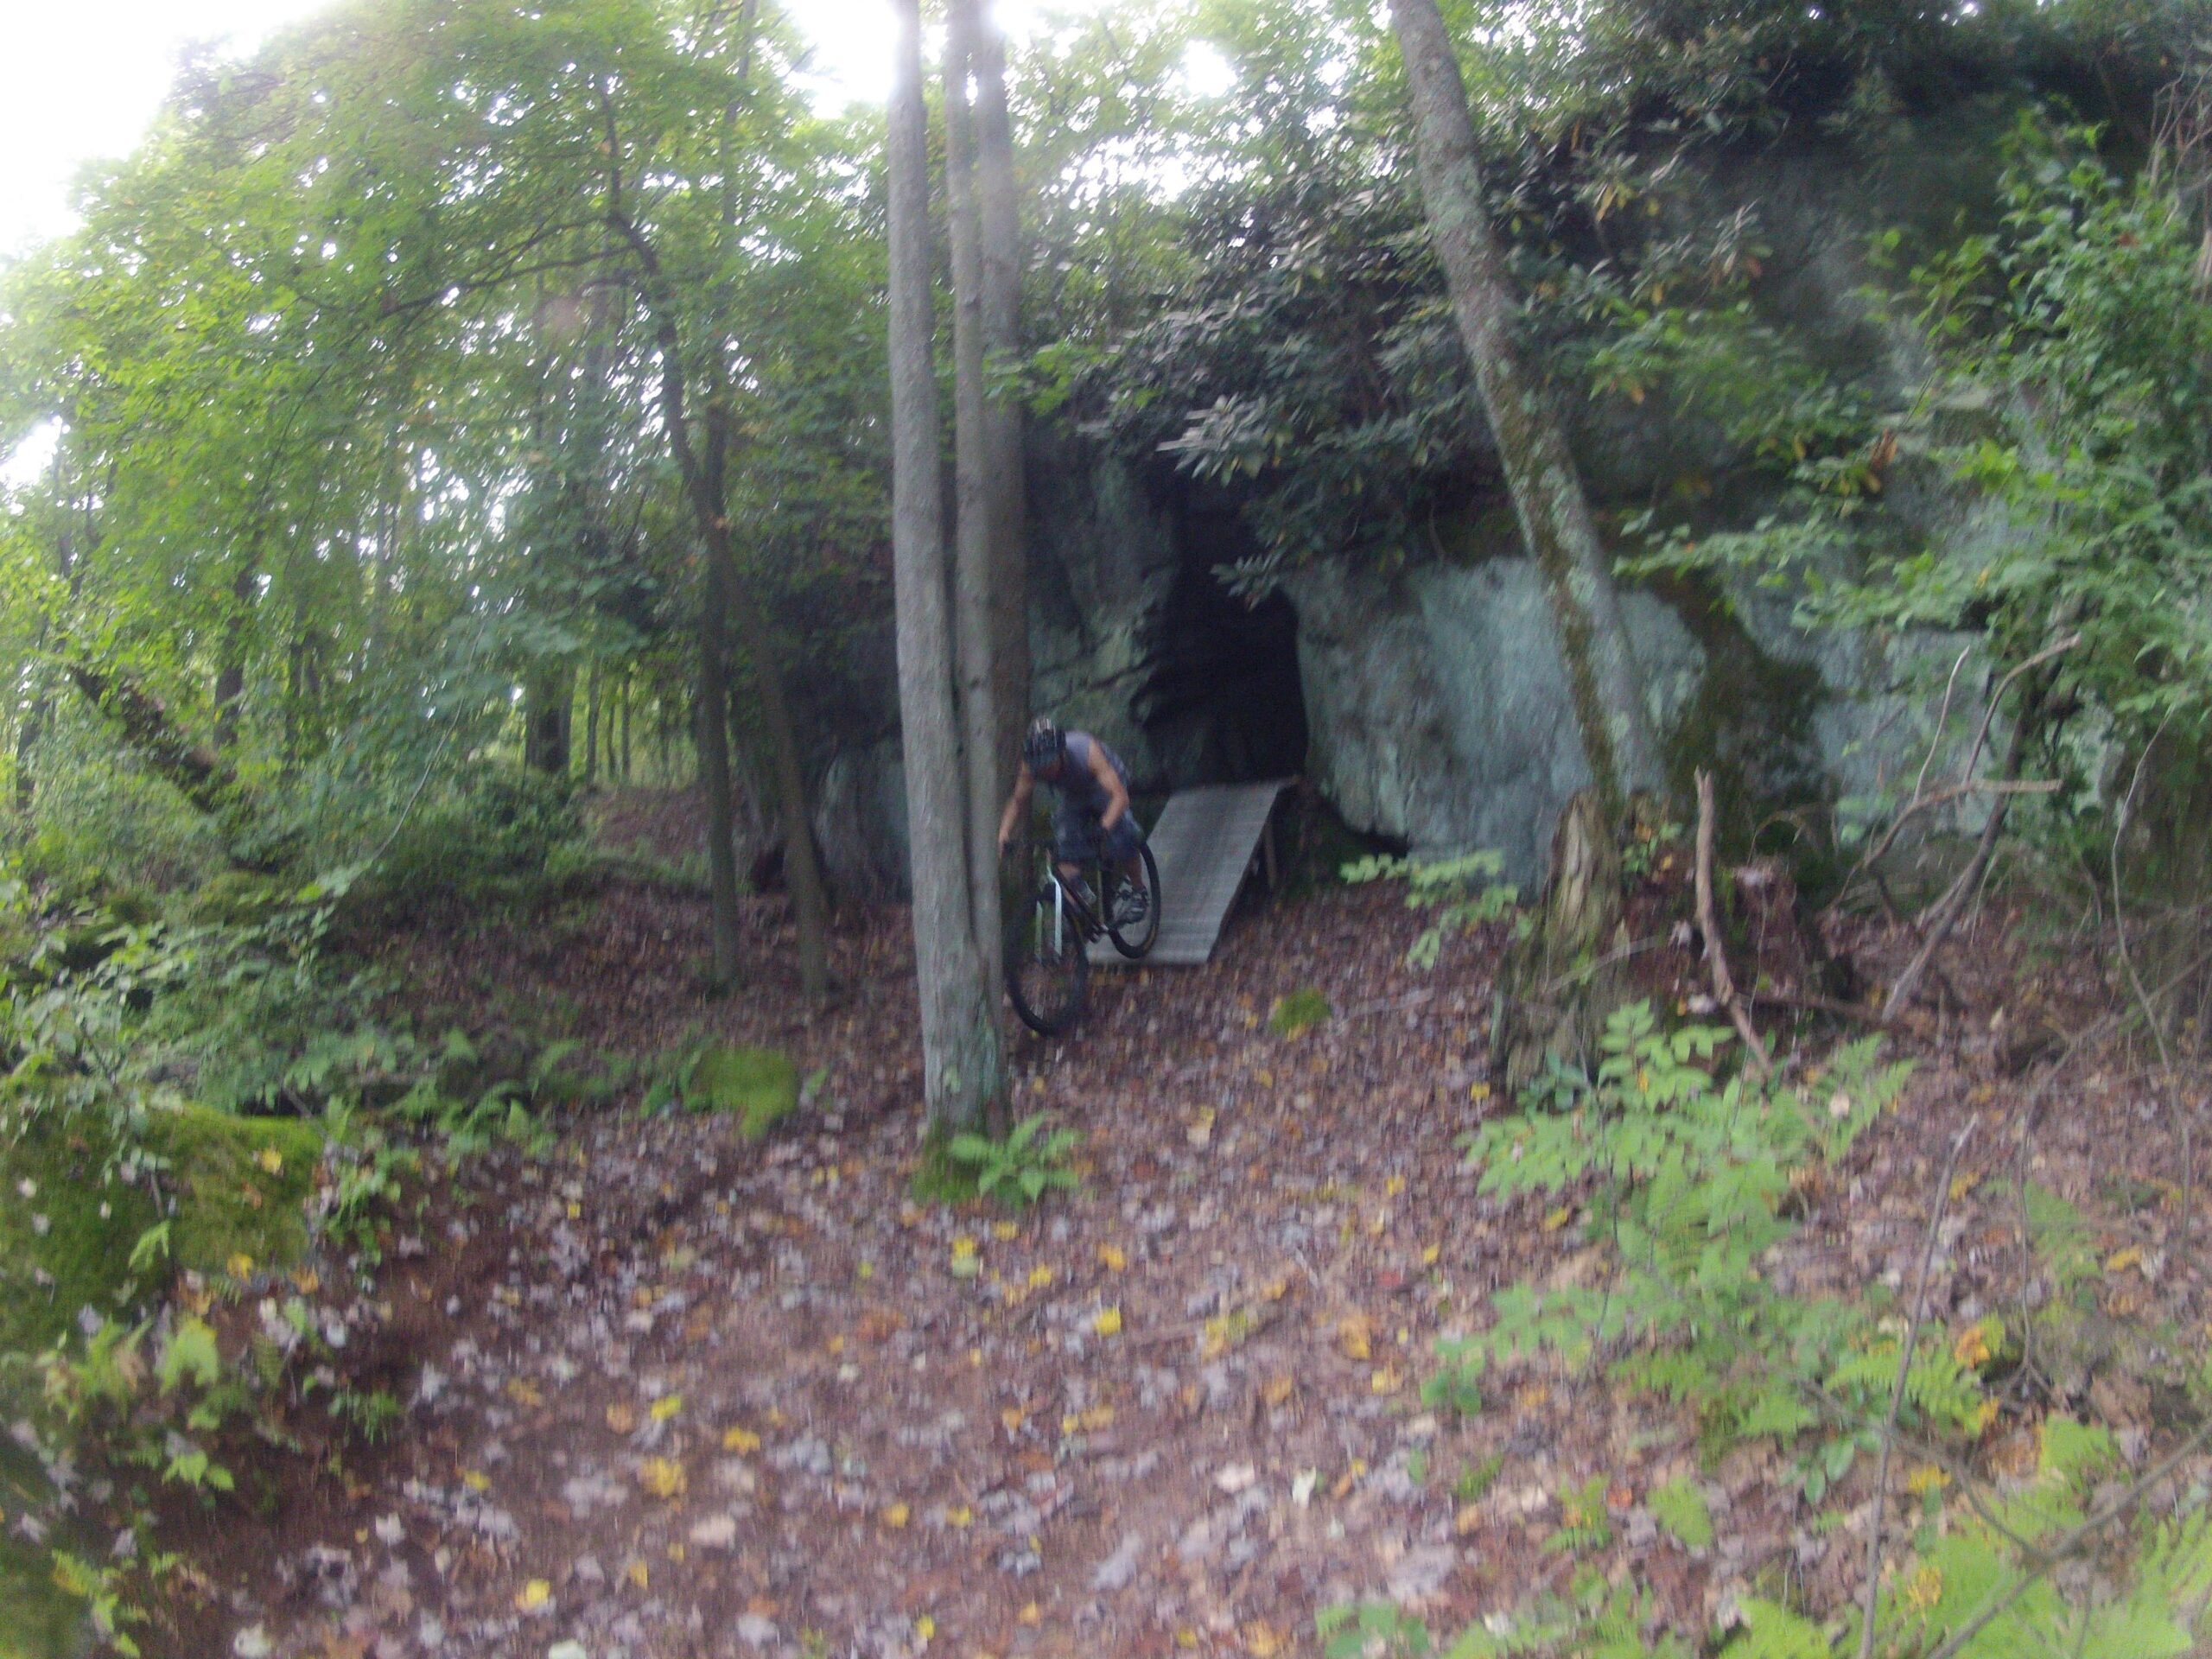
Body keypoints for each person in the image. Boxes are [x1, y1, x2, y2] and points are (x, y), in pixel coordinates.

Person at [997, 715, 1148, 926]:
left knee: (1120, 835)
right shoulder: (1031, 766)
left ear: (1061, 752)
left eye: (1050, 762)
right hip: (1074, 793)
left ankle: (1139, 890)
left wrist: (1104, 828)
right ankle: (1076, 919)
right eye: (1041, 766)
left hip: (1105, 785)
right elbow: (1017, 801)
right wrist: (1004, 833)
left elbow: (1120, 797)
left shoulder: (1085, 750)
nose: (1046, 770)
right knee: (1066, 844)